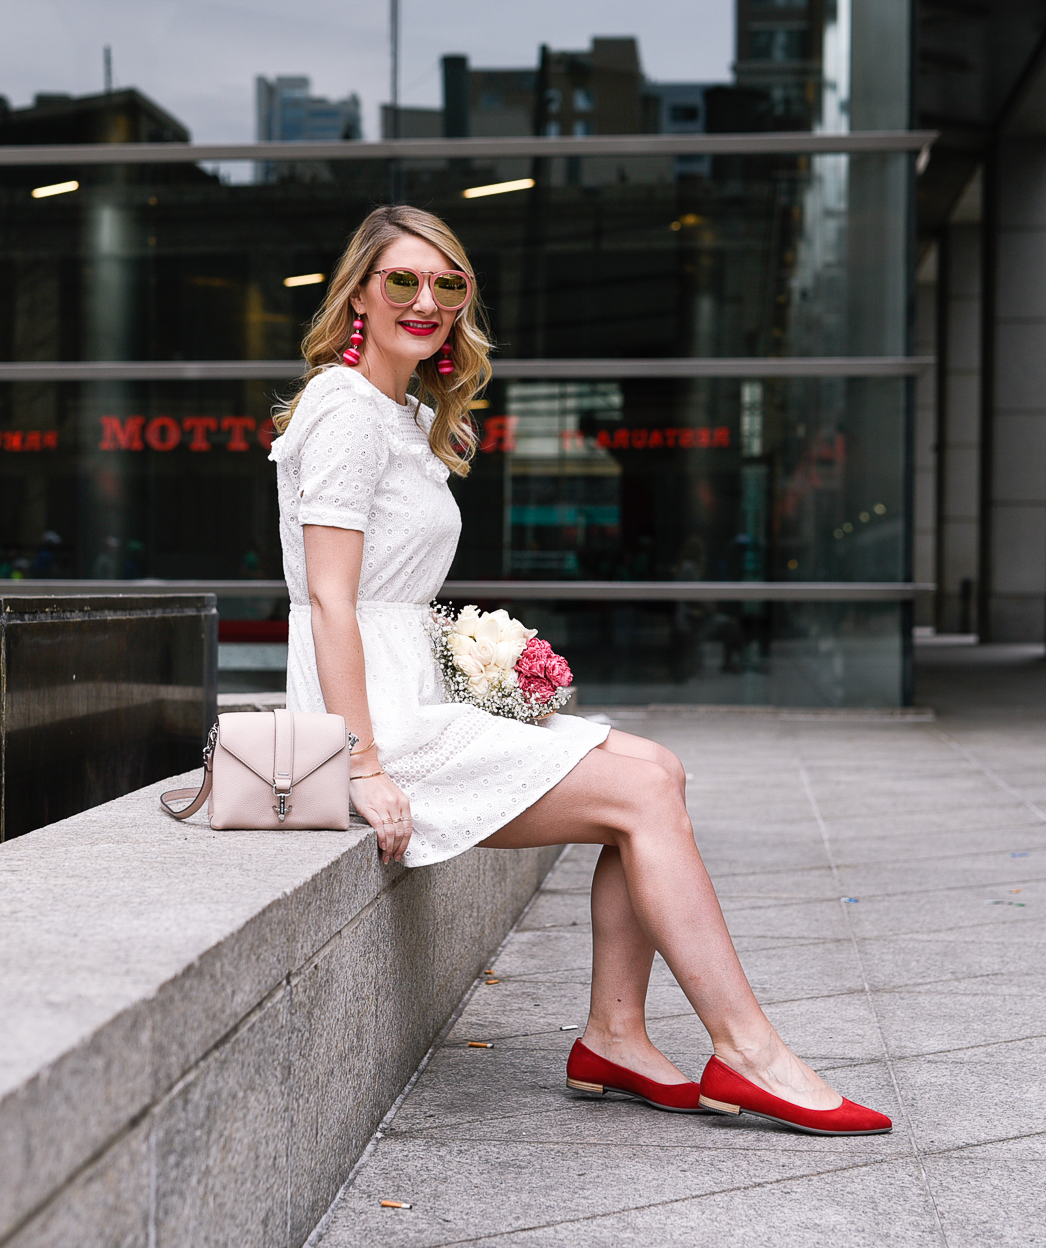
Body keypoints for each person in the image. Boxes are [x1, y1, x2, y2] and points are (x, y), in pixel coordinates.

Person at [269, 205, 891, 1136]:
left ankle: (616, 1036)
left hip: (409, 690)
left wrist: (482, 666)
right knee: (640, 795)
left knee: (659, 771)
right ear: (359, 290)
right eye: (403, 279)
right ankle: (748, 1050)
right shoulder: (346, 410)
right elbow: (330, 601)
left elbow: (389, 599)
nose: (426, 300)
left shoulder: (400, 414)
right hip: (376, 722)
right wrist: (362, 765)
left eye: (449, 283)